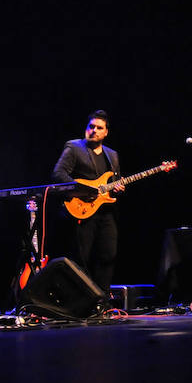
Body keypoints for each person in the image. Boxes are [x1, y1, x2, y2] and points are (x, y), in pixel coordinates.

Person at [52, 110, 124, 294]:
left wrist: (119, 187)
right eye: (91, 126)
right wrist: (84, 189)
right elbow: (59, 174)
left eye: (99, 128)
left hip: (105, 212)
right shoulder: (74, 147)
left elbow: (114, 181)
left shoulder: (112, 155)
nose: (94, 130)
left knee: (108, 255)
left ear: (106, 132)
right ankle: (77, 299)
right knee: (81, 258)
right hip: (82, 209)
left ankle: (102, 302)